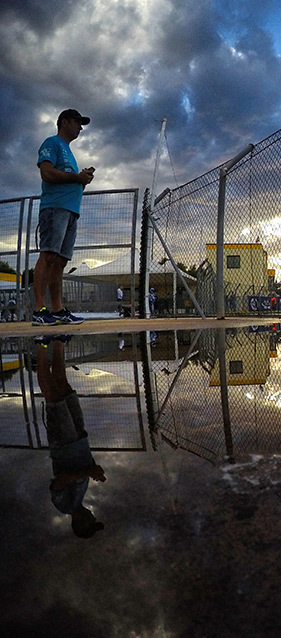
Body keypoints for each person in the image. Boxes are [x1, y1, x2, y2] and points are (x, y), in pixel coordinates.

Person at [35, 334, 106, 538]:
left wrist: (88, 472)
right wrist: (92, 468)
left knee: (53, 398)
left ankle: (41, 345)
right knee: (64, 388)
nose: (92, 516)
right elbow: (83, 469)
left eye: (91, 522)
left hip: (64, 443)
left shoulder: (66, 507)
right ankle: (57, 341)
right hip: (78, 439)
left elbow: (58, 483)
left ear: (81, 525)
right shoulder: (79, 498)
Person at [32, 109, 95, 326]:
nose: (80, 127)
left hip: (70, 210)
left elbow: (68, 177)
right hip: (55, 208)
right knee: (48, 255)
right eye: (77, 122)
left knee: (60, 261)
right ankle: (40, 309)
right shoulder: (52, 143)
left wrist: (81, 179)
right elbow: (47, 173)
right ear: (64, 122)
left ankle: (57, 310)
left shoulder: (68, 151)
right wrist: (76, 177)